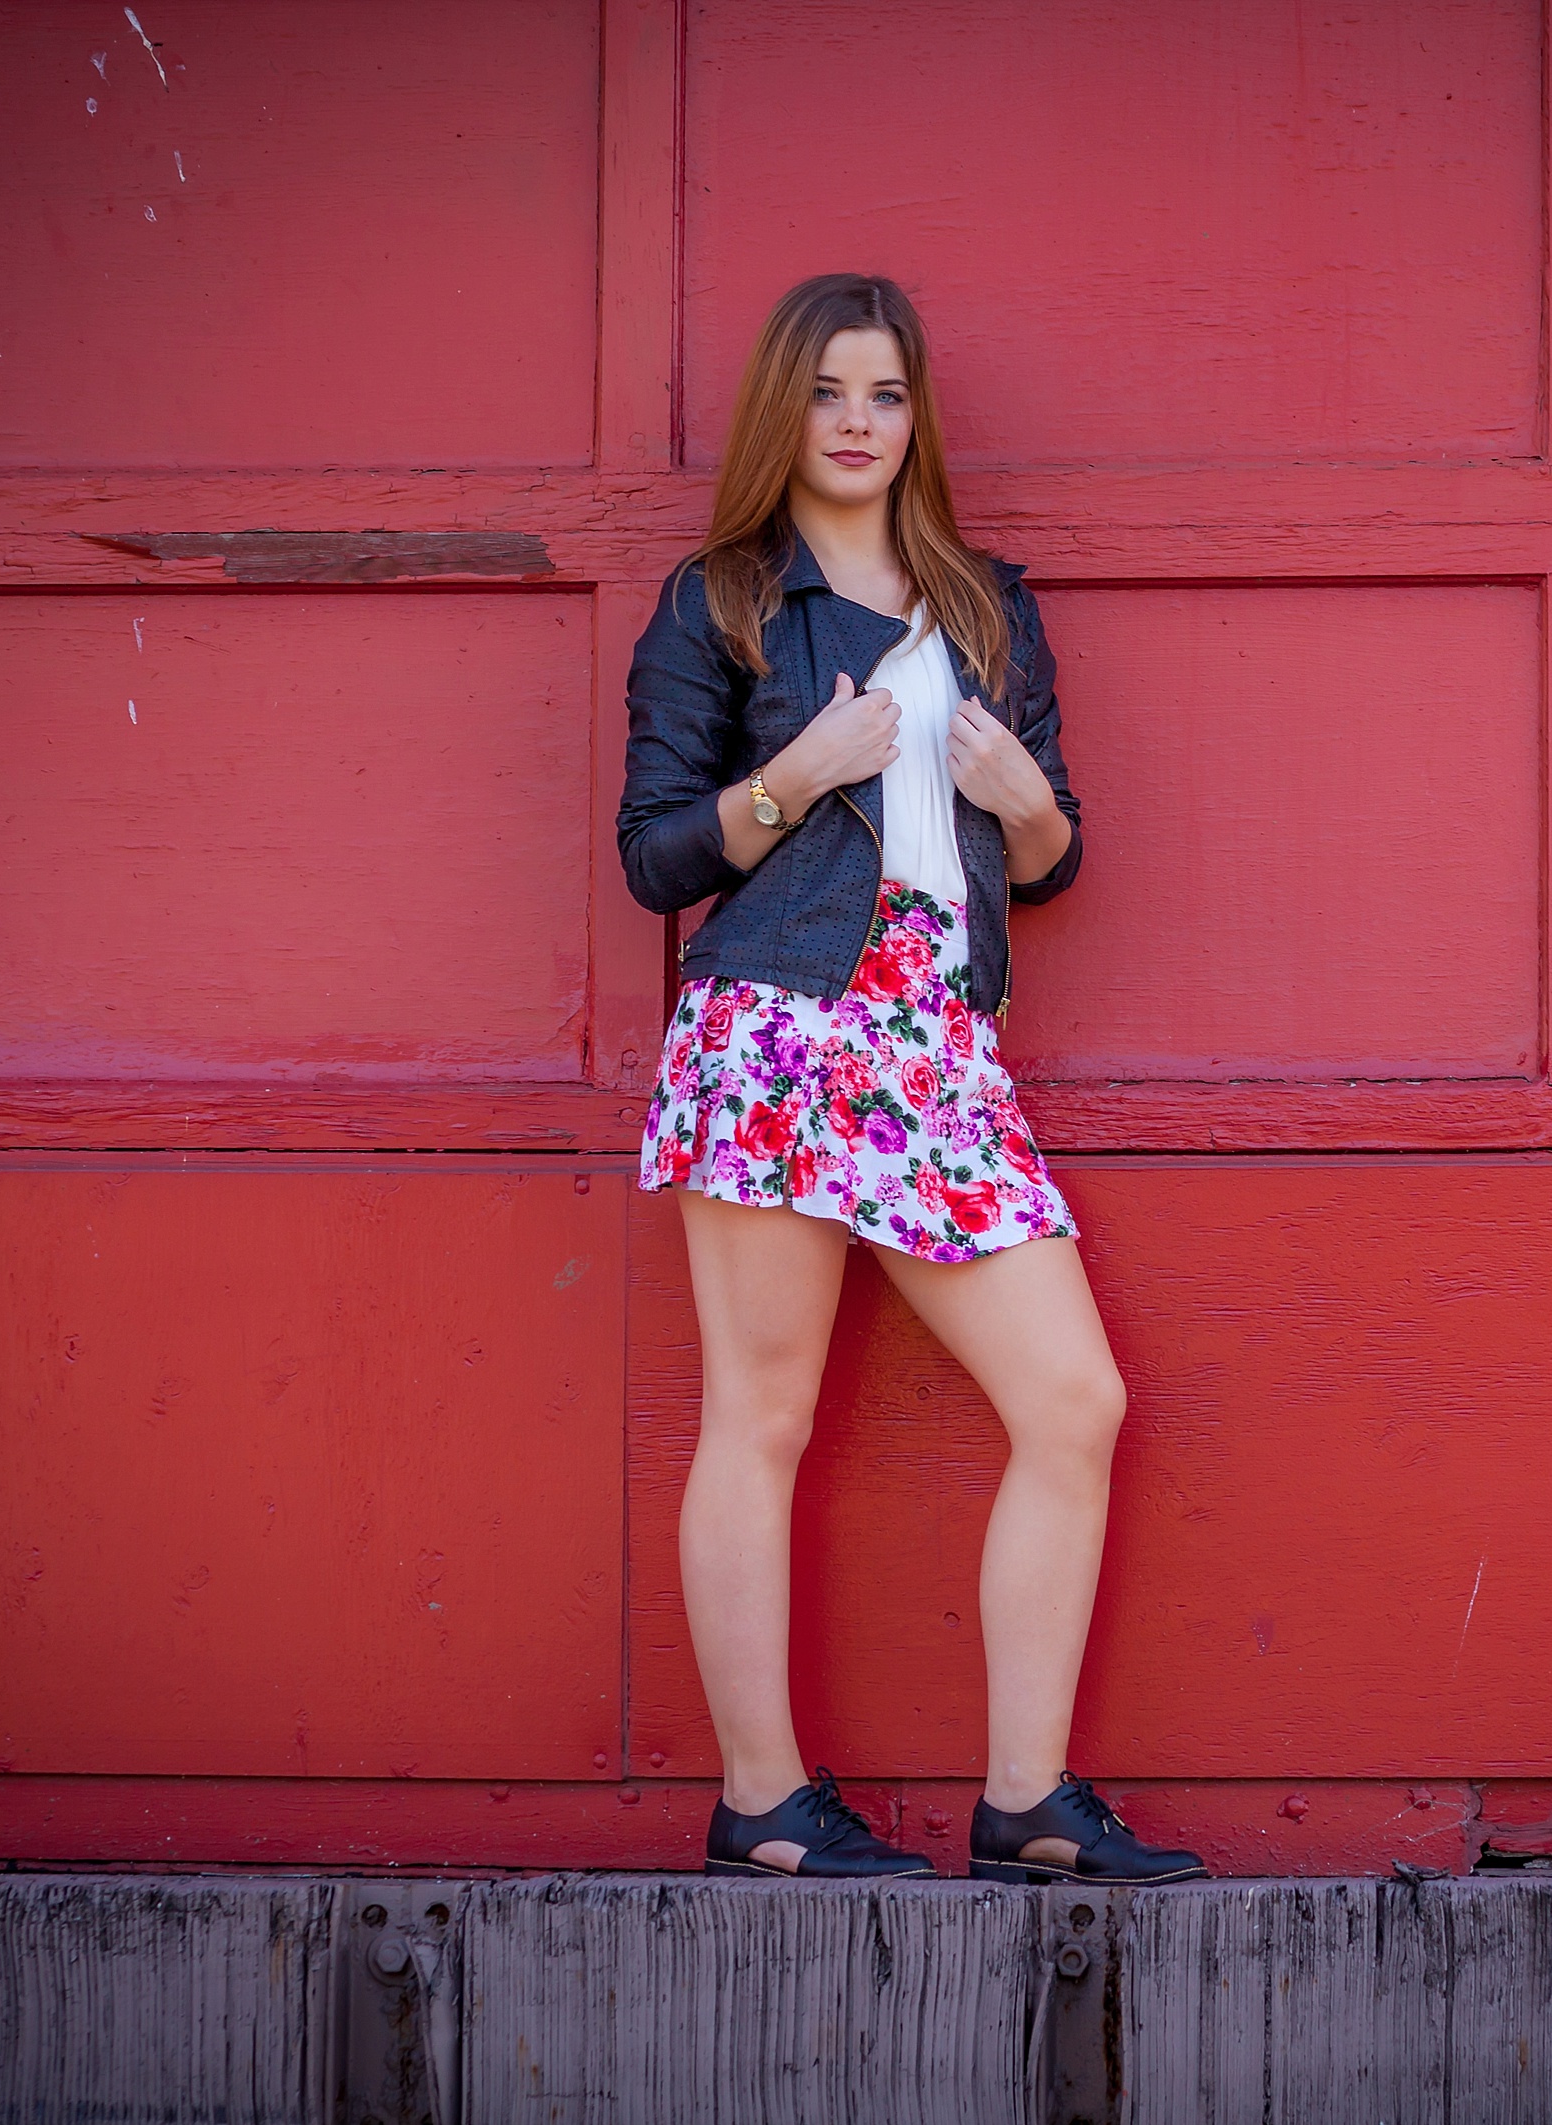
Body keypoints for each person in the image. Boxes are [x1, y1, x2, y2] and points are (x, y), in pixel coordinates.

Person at [617, 273, 1203, 1887]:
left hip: (937, 1038)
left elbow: (1054, 858)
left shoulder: (986, 605)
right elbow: (655, 857)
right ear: (783, 410)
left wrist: (1023, 800)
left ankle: (1028, 1801)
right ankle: (763, 1804)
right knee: (763, 1414)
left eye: (885, 393)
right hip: (781, 1029)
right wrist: (792, 778)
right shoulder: (725, 601)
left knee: (1075, 1401)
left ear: (915, 414)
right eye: (827, 392)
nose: (859, 423)